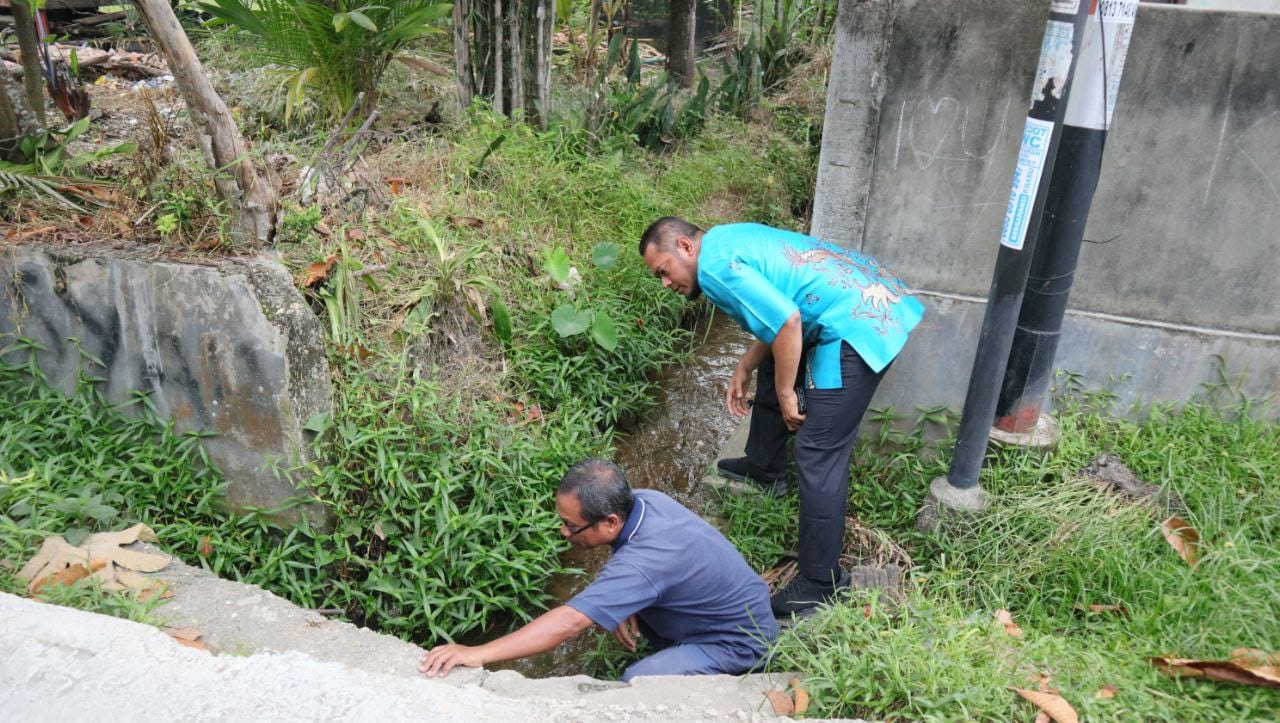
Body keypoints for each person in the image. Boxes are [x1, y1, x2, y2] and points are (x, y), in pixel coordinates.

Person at [639, 217, 923, 616]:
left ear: (685, 247)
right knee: (778, 357)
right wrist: (745, 364)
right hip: (868, 295)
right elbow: (775, 319)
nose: (666, 284)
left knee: (817, 451)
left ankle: (821, 583)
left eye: (663, 272)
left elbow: (788, 324)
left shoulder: (716, 269)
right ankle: (765, 466)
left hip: (858, 322)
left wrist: (789, 394)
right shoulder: (723, 241)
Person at [419, 458, 777, 681]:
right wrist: (630, 602)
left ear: (609, 521)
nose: (563, 532)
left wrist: (477, 653)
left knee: (637, 680)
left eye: (570, 526)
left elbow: (570, 623)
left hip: (740, 642)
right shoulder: (647, 500)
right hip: (742, 607)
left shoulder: (643, 564)